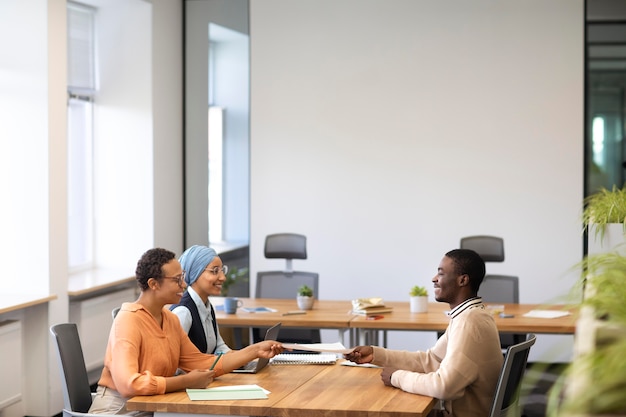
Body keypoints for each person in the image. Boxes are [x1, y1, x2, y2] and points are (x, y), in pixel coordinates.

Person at [89, 248, 283, 415]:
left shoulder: (170, 320)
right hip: (118, 410)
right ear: (153, 284)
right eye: (177, 280)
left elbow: (204, 362)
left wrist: (255, 350)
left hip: (152, 406)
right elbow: (128, 385)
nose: (184, 284)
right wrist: (184, 382)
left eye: (182, 278)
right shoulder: (128, 320)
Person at [344, 249, 503, 417]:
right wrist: (376, 354)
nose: (434, 279)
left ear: (462, 280)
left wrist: (396, 377)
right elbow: (431, 360)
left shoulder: (469, 322)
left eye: (440, 274)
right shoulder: (471, 314)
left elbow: (444, 387)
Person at [170, 245, 231, 354]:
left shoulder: (206, 306)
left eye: (222, 270)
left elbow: (219, 347)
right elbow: (174, 360)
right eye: (215, 271)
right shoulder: (183, 312)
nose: (223, 277)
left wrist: (246, 357)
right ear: (195, 273)